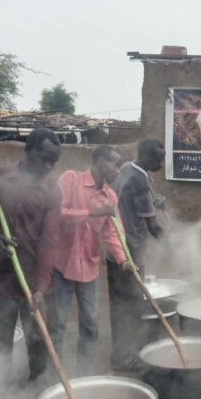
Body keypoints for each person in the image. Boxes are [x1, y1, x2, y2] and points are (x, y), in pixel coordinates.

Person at [0, 128, 62, 385]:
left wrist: (40, 288)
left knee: (40, 349)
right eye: (42, 158)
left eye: (53, 162)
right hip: (0, 280)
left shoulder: (52, 192)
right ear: (28, 150)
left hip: (36, 282)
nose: (48, 166)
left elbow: (49, 241)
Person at [33, 145, 130, 376]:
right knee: (57, 324)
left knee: (90, 325)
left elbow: (112, 232)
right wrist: (91, 213)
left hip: (89, 267)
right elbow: (57, 214)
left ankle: (83, 376)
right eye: (115, 165)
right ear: (99, 163)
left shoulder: (111, 197)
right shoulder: (71, 180)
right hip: (61, 266)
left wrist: (123, 259)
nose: (118, 170)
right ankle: (54, 378)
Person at [106, 138, 166, 369]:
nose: (161, 165)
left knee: (119, 305)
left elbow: (137, 200)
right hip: (130, 254)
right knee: (130, 307)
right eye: (158, 160)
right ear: (147, 157)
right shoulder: (139, 180)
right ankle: (125, 358)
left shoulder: (128, 168)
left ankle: (122, 353)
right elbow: (153, 226)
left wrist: (154, 200)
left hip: (117, 251)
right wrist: (174, 249)